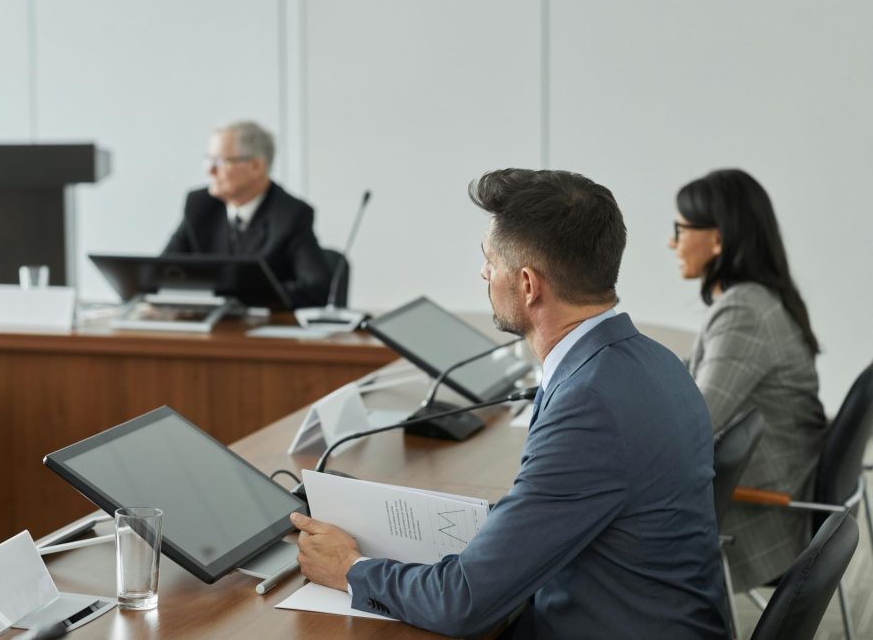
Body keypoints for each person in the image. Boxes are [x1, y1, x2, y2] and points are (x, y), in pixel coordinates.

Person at [292, 169, 729, 638]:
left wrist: (350, 568)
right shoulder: (650, 361)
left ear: (527, 284)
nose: (483, 273)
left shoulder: (591, 405)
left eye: (489, 260)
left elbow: (462, 603)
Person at [670, 168, 826, 591]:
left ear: (718, 238)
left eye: (680, 229)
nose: (672, 242)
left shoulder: (744, 311)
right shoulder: (756, 298)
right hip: (779, 485)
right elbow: (687, 375)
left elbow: (695, 420)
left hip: (762, 517)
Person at [163, 121, 332, 308]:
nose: (210, 170)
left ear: (256, 166)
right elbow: (159, 274)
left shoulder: (291, 215)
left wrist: (240, 299)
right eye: (208, 160)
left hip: (263, 330)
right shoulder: (199, 206)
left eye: (221, 162)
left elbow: (317, 289)